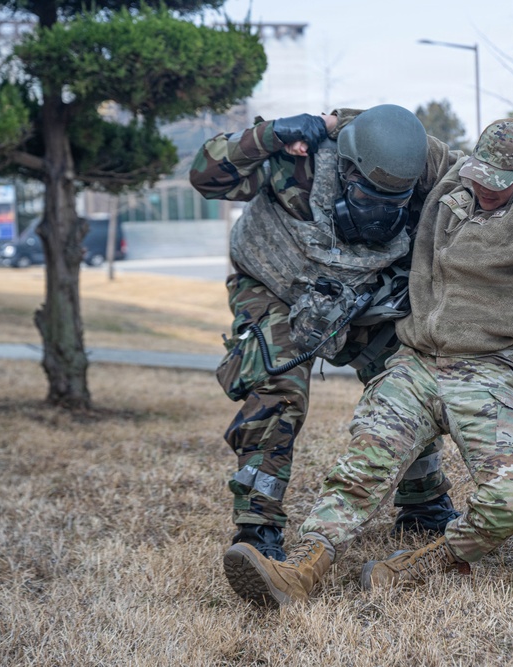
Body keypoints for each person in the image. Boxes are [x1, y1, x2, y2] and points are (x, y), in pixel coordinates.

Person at [221, 118, 513, 608]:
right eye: (476, 174)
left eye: (497, 183)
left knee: (510, 500)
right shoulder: (451, 182)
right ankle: (299, 569)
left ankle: (429, 558)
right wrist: (326, 123)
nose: (481, 188)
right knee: (359, 473)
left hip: (485, 375)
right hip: (415, 364)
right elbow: (389, 133)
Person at [190, 105, 463, 582]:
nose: (381, 210)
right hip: (273, 284)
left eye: (393, 200)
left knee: (407, 379)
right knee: (277, 389)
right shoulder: (301, 158)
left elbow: (493, 187)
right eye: (366, 194)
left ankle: (423, 502)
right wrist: (269, 135)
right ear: (346, 167)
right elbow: (206, 176)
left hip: (360, 298)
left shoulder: (434, 171)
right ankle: (258, 528)